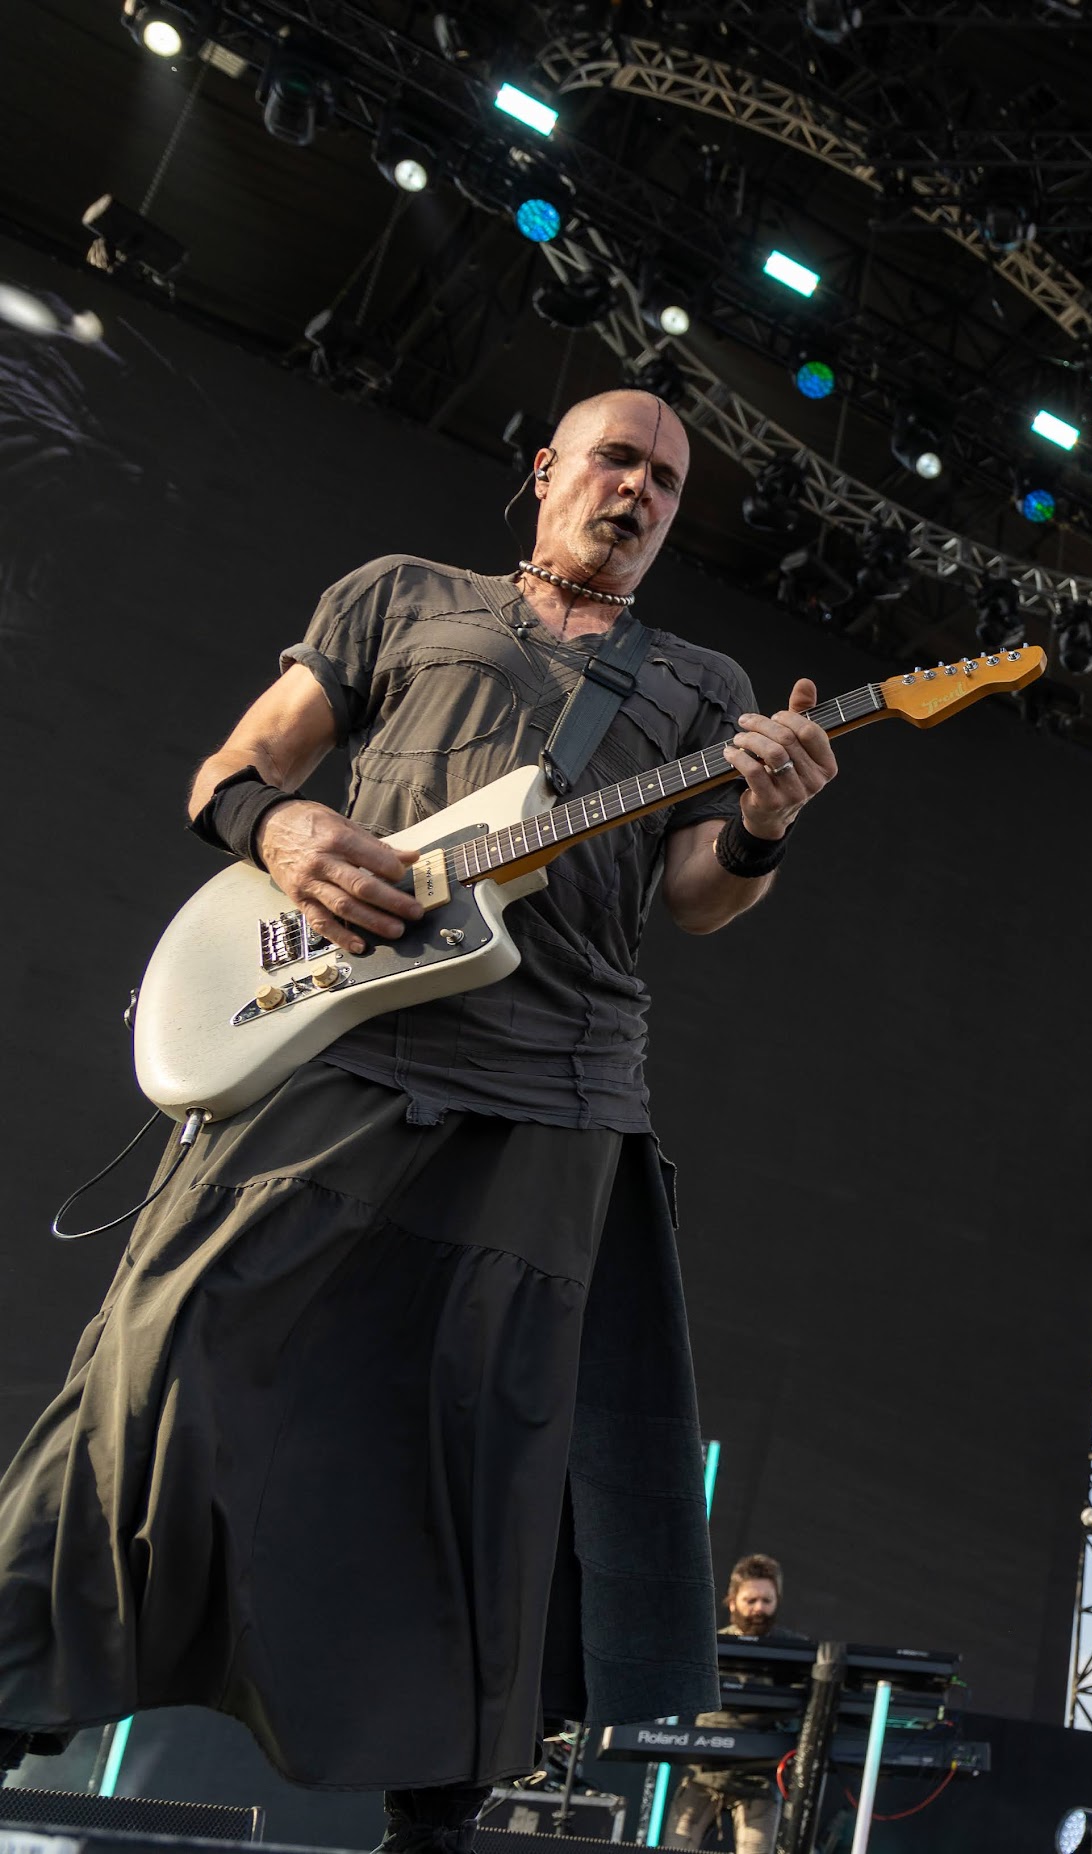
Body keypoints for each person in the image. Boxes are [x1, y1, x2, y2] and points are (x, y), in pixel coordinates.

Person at [0, 391, 842, 1853]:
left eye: (666, 480)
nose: (638, 491)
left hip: (561, 1080)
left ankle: (435, 1817)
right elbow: (237, 766)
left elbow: (698, 895)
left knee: (488, 1453)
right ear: (546, 473)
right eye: (616, 461)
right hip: (350, 1041)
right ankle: (19, 1687)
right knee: (162, 1357)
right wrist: (280, 826)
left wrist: (764, 822)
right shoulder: (401, 596)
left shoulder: (702, 679)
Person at [665, 1555, 807, 1854]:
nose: (759, 1609)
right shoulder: (710, 1645)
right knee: (676, 1843)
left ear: (777, 1601)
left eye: (767, 1601)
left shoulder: (794, 1650)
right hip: (704, 1771)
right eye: (751, 1599)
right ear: (731, 1602)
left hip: (759, 1776)